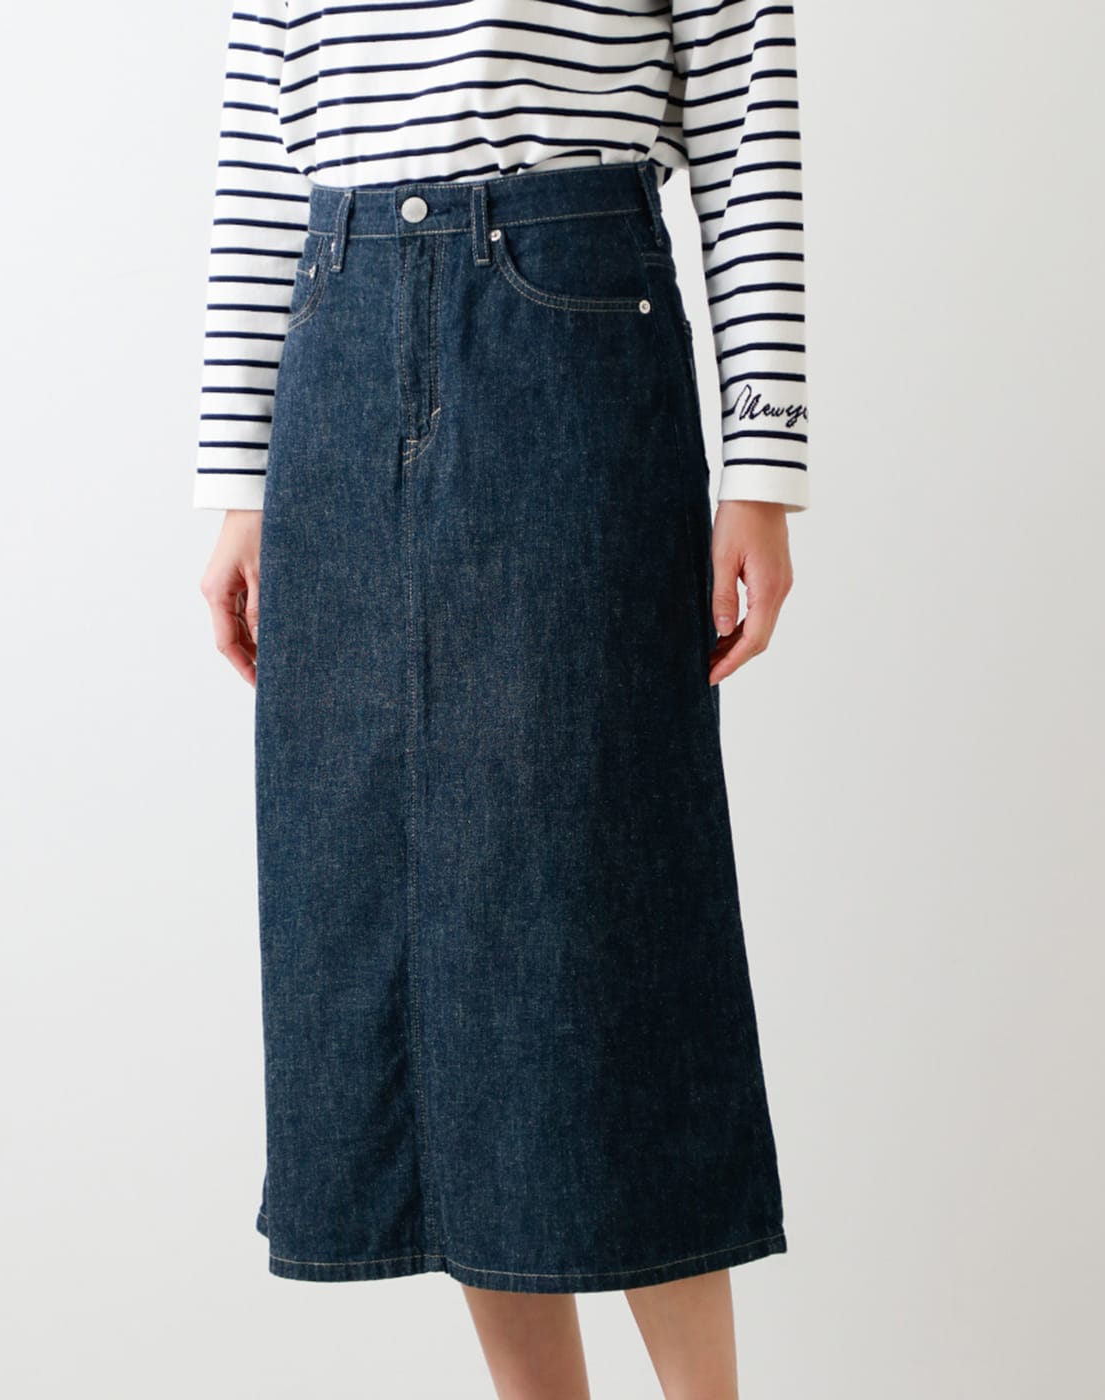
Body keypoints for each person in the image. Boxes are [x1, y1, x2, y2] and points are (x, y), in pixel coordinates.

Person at [196, 3, 807, 1396]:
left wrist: (764, 463)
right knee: (411, 912)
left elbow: (745, 119)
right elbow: (257, 164)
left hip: (569, 320)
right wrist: (239, 480)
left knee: (600, 909)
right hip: (335, 341)